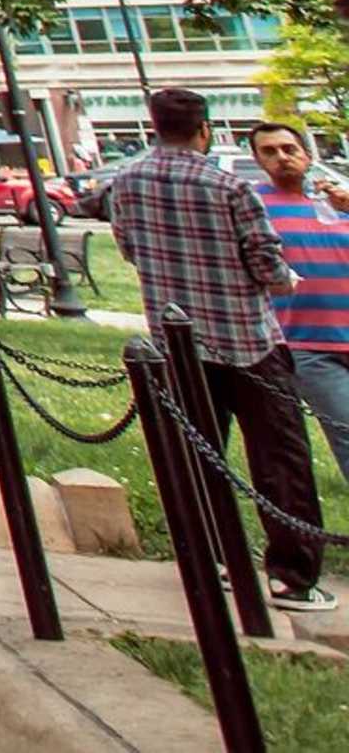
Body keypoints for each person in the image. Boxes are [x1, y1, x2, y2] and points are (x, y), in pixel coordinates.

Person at [75, 88, 333, 610]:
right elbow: (265, 263)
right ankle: (292, 577)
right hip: (248, 343)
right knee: (280, 462)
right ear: (205, 129)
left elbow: (128, 248)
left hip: (178, 345)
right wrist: (287, 280)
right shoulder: (230, 186)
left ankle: (214, 558)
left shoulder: (127, 182)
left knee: (197, 453)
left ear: (154, 127)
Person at [246, 122, 349, 492]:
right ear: (257, 160)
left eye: (289, 149)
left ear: (307, 154)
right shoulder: (253, 206)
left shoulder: (336, 201)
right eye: (269, 152)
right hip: (308, 346)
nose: (282, 158)